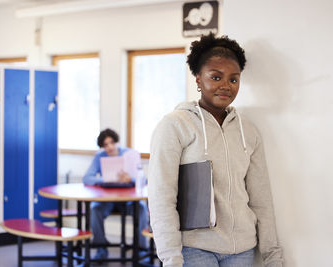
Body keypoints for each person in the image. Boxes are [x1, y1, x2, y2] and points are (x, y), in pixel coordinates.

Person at [148, 33, 284, 267]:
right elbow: (162, 197)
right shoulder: (176, 125)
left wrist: (273, 256)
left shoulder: (248, 131)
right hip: (194, 250)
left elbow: (261, 199)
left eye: (233, 79)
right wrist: (171, 258)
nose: (225, 86)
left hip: (242, 250)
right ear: (198, 79)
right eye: (216, 77)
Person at [83, 128, 148, 261]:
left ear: (116, 142)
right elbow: (87, 178)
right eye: (106, 145)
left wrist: (131, 179)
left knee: (141, 208)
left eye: (112, 142)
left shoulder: (129, 154)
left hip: (129, 200)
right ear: (102, 147)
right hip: (107, 200)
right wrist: (106, 179)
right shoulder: (99, 157)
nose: (110, 147)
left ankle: (141, 249)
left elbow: (143, 180)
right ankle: (101, 248)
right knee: (95, 209)